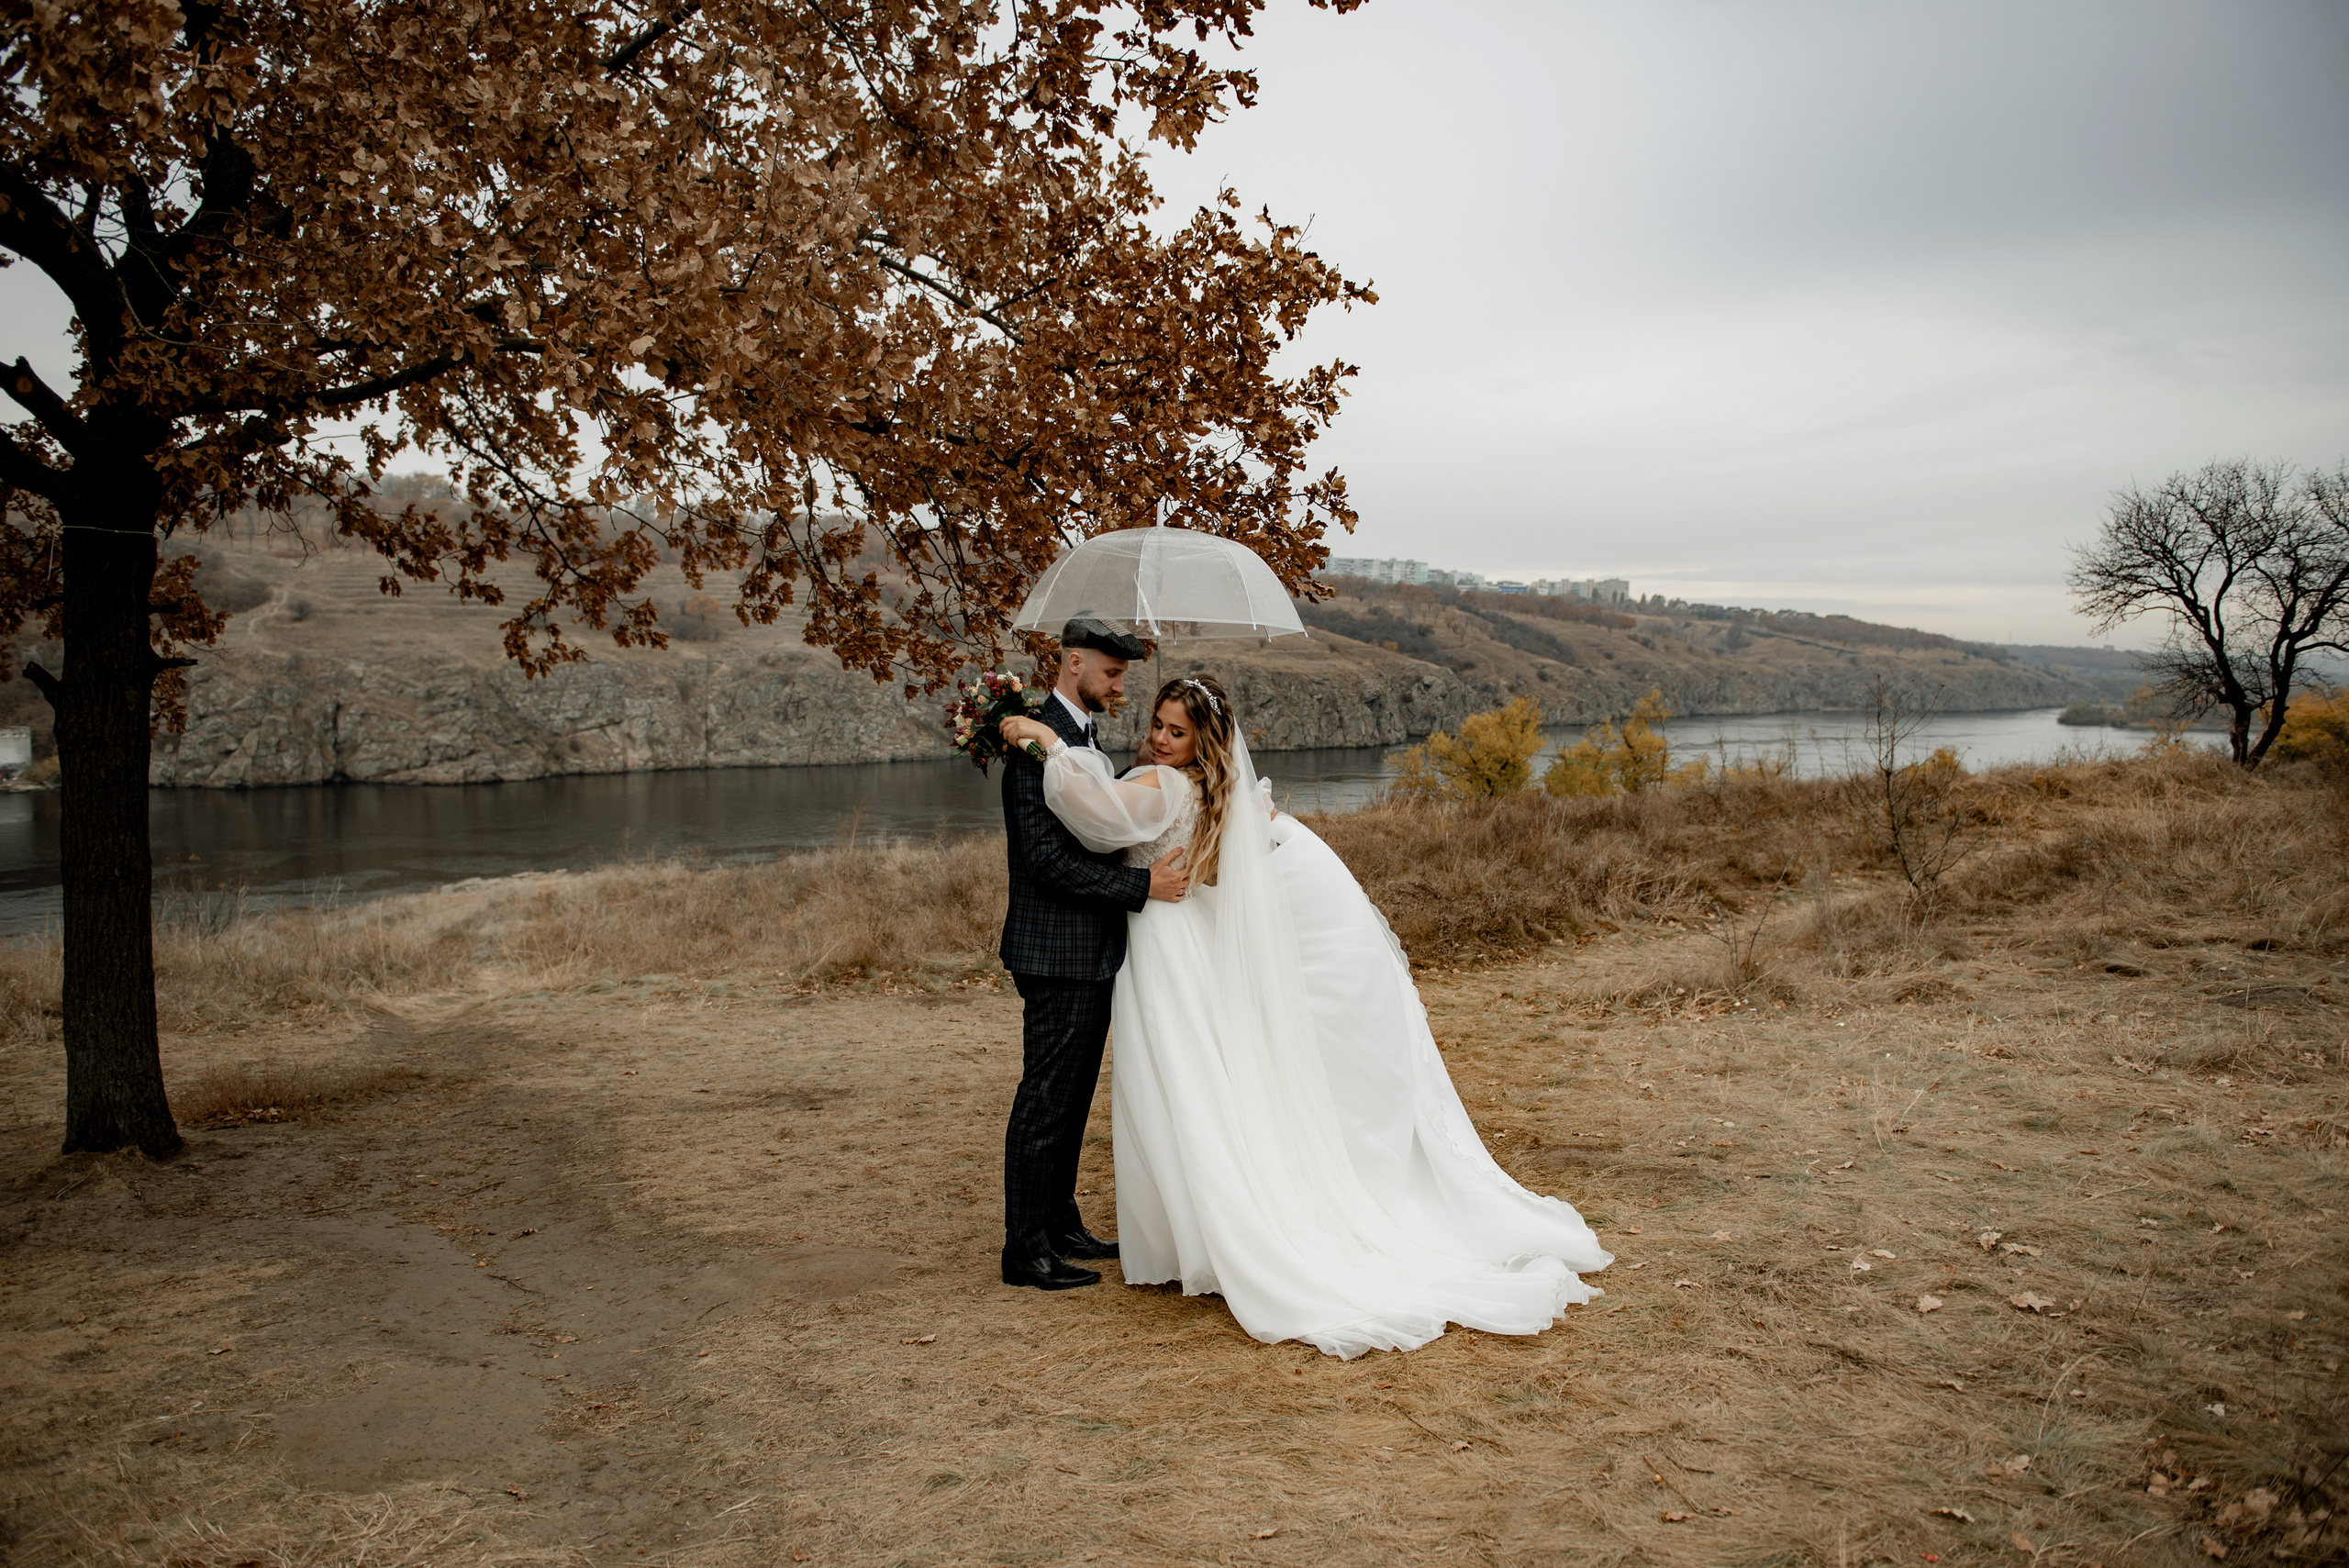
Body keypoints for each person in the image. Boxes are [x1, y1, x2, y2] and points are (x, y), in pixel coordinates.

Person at [997, 674, 1610, 1357]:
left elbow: (1093, 808)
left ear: (1203, 742)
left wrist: (1048, 739)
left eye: (1176, 731)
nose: (1158, 738)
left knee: (1177, 1085)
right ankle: (1175, 1232)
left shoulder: (1167, 786)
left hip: (1165, 947)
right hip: (1170, 943)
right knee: (1182, 1086)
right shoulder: (1213, 791)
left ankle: (1190, 1234)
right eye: (1157, 723)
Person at [996, 616, 1193, 1292]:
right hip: (1054, 949)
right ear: (1073, 662)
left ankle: (1059, 1221)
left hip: (1088, 949)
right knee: (1046, 1099)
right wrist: (1141, 885)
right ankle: (1025, 1249)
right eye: (1110, 673)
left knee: (1073, 1098)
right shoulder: (1031, 743)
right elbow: (1046, 861)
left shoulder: (1077, 737)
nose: (1118, 686)